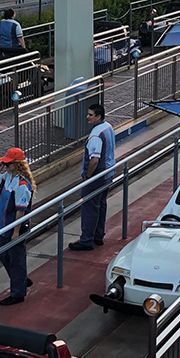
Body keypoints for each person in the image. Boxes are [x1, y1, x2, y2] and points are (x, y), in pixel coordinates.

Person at [0, 147, 34, 305]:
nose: (5, 165)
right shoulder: (7, 176)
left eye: (8, 163)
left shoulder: (21, 184)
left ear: (17, 164)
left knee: (16, 259)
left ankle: (18, 293)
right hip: (3, 225)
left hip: (14, 227)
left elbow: (20, 212)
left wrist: (15, 232)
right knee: (4, 256)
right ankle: (20, 279)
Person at [69, 104, 115, 251]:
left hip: (97, 177)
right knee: (101, 205)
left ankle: (86, 240)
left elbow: (94, 160)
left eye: (90, 115)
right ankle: (98, 235)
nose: (87, 117)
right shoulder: (108, 127)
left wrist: (88, 176)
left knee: (89, 207)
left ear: (98, 117)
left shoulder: (95, 135)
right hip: (108, 173)